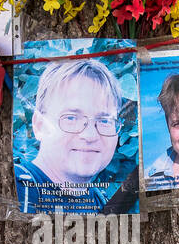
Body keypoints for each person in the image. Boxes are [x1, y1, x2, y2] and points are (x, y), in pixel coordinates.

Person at [15, 58, 127, 213]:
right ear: (39, 125)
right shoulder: (15, 188)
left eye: (104, 120)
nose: (89, 135)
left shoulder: (101, 202)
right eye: (71, 118)